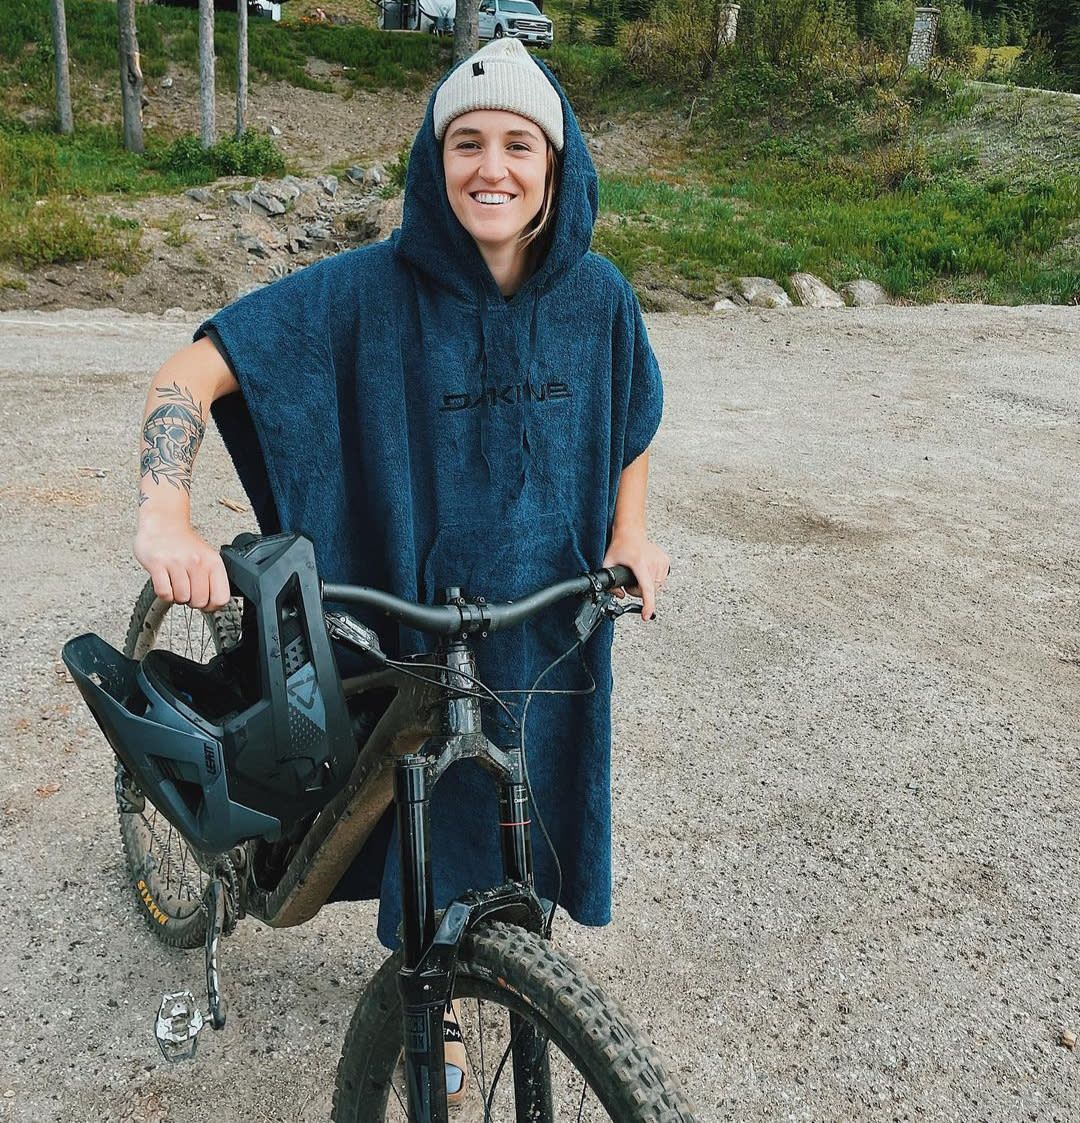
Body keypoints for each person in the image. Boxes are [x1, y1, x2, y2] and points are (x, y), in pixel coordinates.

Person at [133, 37, 668, 1096]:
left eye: (520, 142)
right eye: (466, 142)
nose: (493, 166)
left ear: (556, 164)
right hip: (410, 620)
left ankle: (491, 974)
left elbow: (632, 416)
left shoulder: (599, 298)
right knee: (422, 810)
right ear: (435, 162)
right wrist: (167, 513)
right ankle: (442, 992)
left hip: (546, 618)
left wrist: (630, 534)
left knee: (529, 815)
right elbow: (192, 371)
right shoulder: (365, 293)